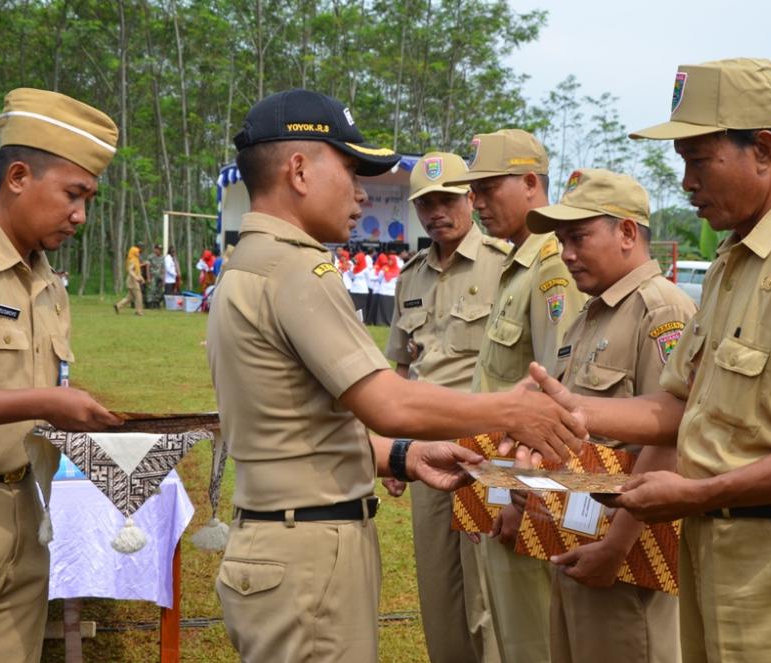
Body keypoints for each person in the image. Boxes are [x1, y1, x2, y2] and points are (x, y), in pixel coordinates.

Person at [523, 58, 771, 663]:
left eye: (699, 160)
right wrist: (577, 410)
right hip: (719, 551)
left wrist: (697, 493)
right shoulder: (734, 262)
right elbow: (681, 403)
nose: (686, 181)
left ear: (764, 149)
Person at [206, 88, 586, 663]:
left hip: (284, 536)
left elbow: (301, 418)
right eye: (351, 169)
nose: (360, 192)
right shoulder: (296, 269)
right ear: (300, 171)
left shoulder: (249, 263)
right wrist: (512, 410)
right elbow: (388, 400)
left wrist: (401, 457)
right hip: (309, 551)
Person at [0, 87, 122, 662]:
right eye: (72, 195)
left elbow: (39, 399)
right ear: (16, 177)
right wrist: (44, 402)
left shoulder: (48, 285)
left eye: (89, 199)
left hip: (28, 513)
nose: (80, 215)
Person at [525, 168, 695, 663]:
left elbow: (670, 435)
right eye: (561, 240)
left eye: (578, 237)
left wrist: (617, 548)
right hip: (576, 532)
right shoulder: (592, 313)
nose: (567, 253)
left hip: (626, 550)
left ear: (626, 232)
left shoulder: (661, 311)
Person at [442, 129, 587, 663]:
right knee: (506, 629)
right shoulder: (517, 264)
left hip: (525, 495)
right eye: (472, 191)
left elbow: (555, 400)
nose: (476, 202)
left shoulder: (551, 268)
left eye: (486, 188)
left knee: (532, 639)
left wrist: (518, 498)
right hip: (498, 483)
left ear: (530, 183)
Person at [383, 151, 510, 663]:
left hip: (486, 448)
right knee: (438, 585)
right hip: (424, 448)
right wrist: (392, 446)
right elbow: (399, 368)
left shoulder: (505, 266)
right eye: (426, 203)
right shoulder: (409, 276)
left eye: (447, 199)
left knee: (489, 588)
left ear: (471, 199)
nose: (437, 211)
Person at [114, 243, 145, 315]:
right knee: (138, 296)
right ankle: (139, 311)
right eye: (137, 252)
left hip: (132, 280)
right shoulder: (132, 260)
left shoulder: (136, 260)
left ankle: (118, 306)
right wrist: (136, 278)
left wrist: (141, 278)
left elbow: (137, 271)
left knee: (130, 297)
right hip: (132, 280)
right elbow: (130, 271)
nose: (139, 253)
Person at [145, 244, 165, 308]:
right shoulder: (150, 257)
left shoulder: (162, 258)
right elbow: (147, 267)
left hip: (160, 277)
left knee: (159, 290)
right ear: (155, 249)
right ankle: (149, 303)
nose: (159, 251)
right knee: (151, 290)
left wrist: (164, 278)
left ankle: (156, 303)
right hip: (152, 276)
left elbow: (163, 268)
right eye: (158, 249)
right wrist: (148, 277)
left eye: (161, 250)